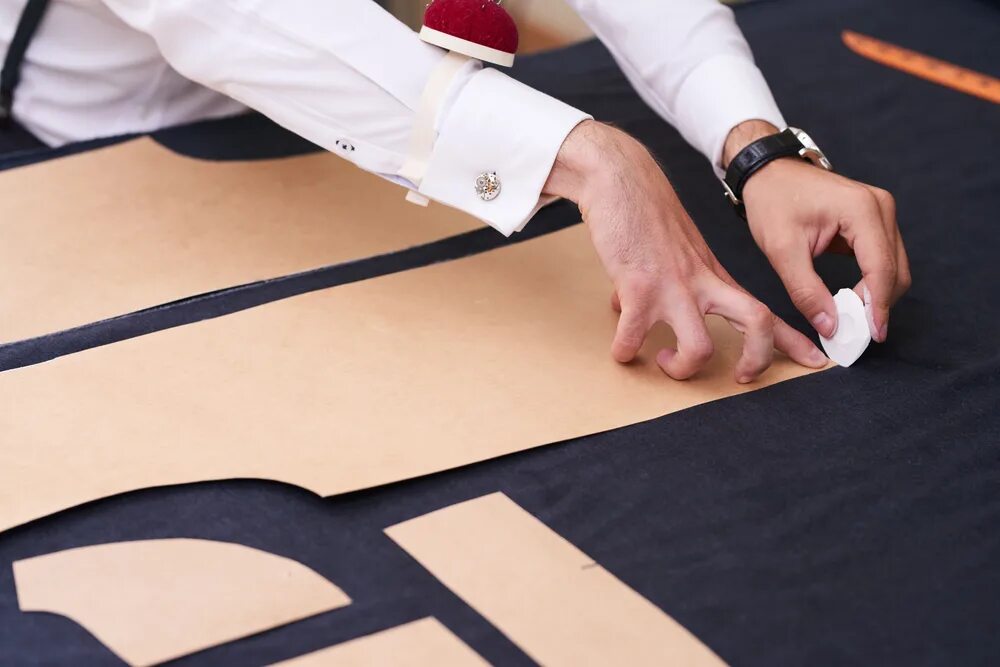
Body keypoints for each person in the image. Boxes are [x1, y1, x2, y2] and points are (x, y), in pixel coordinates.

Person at [0, 0, 910, 383]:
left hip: (353, 125)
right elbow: (242, 18)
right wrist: (589, 157)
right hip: (89, 148)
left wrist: (755, 148)